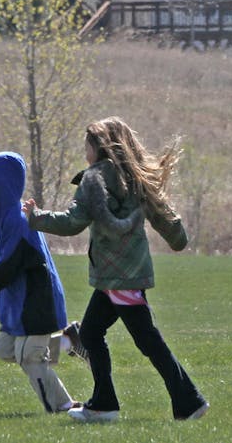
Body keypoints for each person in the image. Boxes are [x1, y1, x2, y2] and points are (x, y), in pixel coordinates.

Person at [25, 117, 209, 423]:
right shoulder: (135, 177)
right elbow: (167, 219)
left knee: (146, 339)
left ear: (97, 147)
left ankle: (186, 401)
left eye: (86, 146)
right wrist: (178, 239)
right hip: (130, 272)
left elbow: (72, 221)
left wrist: (36, 217)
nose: (85, 152)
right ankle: (105, 403)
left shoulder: (94, 180)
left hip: (114, 277)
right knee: (93, 333)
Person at [0, 151, 82, 414]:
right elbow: (4, 258)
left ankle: (63, 407)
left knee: (31, 357)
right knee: (6, 349)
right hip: (21, 301)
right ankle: (70, 341)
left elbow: (6, 266)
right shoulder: (7, 216)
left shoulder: (16, 218)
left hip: (36, 300)